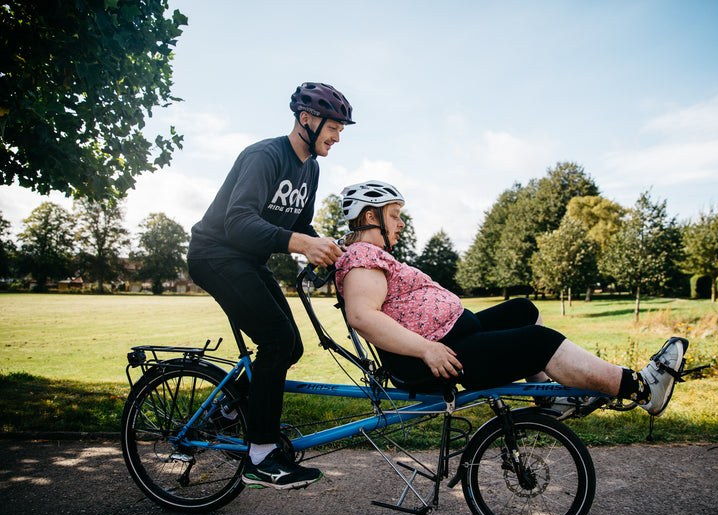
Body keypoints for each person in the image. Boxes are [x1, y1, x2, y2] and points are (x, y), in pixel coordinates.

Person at [334, 180, 688, 417]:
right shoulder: (362, 257)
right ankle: (641, 388)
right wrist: (427, 350)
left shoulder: (371, 256)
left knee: (523, 309)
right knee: (537, 341)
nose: (400, 224)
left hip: (452, 336)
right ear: (370, 216)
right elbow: (363, 316)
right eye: (394, 215)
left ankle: (549, 396)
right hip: (437, 357)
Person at [187, 82, 355, 490]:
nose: (336, 137)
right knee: (278, 341)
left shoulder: (310, 168)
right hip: (215, 255)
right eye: (333, 127)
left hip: (247, 260)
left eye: (341, 131)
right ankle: (261, 455)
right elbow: (238, 222)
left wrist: (336, 255)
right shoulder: (265, 155)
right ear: (306, 119)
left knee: (290, 346)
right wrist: (302, 244)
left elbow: (298, 226)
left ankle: (226, 412)